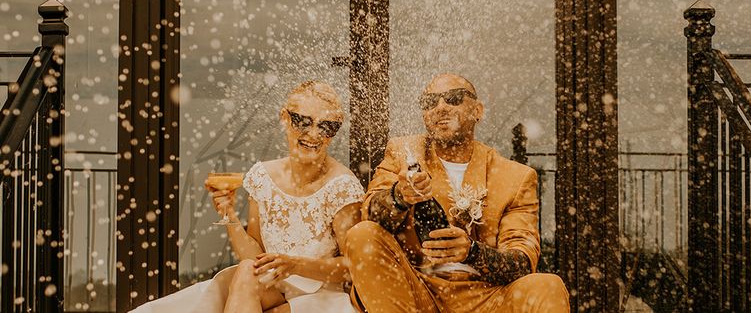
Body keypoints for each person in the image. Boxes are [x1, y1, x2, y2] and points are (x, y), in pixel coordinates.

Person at [130, 80, 364, 313]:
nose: (313, 134)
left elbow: (352, 267)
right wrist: (228, 214)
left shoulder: (341, 186)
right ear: (285, 117)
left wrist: (295, 265)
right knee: (245, 270)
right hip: (270, 289)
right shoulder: (264, 177)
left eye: (327, 127)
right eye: (303, 121)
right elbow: (255, 256)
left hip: (319, 299)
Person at [345, 73, 570, 313]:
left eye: (453, 98)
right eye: (430, 102)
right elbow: (369, 214)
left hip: (488, 298)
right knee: (363, 234)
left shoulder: (515, 177)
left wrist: (471, 252)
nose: (440, 107)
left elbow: (522, 262)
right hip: (418, 290)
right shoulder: (404, 152)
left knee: (547, 285)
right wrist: (399, 196)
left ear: (478, 110)